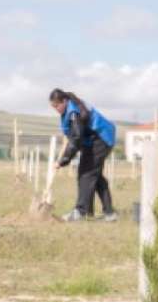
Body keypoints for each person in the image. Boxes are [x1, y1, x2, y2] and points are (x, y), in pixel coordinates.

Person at [50, 88, 117, 222]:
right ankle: (108, 213)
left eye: (57, 105)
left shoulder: (74, 113)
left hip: (101, 138)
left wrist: (63, 161)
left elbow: (76, 139)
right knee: (95, 175)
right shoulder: (70, 109)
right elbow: (75, 137)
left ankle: (81, 211)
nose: (56, 109)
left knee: (86, 174)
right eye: (53, 106)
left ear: (64, 101)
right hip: (94, 140)